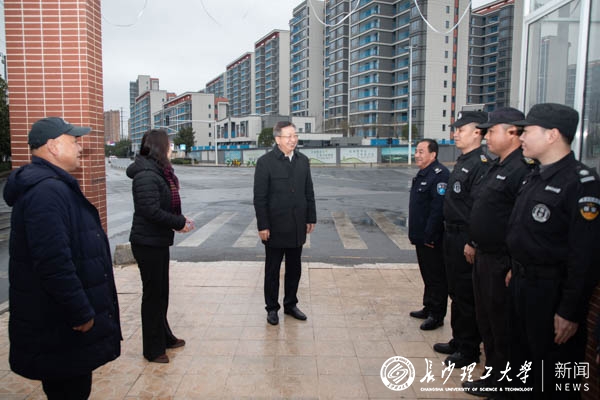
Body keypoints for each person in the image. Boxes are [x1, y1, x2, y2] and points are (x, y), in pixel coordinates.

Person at [3, 117, 121, 399]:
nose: (80, 148)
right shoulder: (46, 192)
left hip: (58, 325)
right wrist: (80, 311)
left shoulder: (53, 186)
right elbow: (53, 263)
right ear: (54, 147)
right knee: (69, 391)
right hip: (60, 326)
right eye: (74, 141)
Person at [506, 103, 600, 397]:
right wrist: (515, 267)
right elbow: (524, 231)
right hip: (523, 284)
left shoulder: (581, 183)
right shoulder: (534, 176)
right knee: (523, 362)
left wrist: (569, 311)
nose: (521, 137)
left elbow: (585, 257)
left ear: (552, 135)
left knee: (555, 374)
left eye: (527, 131)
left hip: (552, 293)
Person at [462, 107, 535, 395]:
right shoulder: (497, 166)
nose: (487, 136)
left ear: (512, 132)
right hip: (484, 256)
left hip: (501, 261)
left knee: (502, 324)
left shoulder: (522, 169)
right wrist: (474, 241)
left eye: (492, 131)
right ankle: (492, 375)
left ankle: (504, 382)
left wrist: (512, 264)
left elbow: (520, 223)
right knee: (487, 321)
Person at [127, 129, 195, 363]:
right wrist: (178, 222)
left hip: (157, 240)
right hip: (147, 243)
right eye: (169, 145)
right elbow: (150, 210)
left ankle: (164, 337)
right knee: (153, 296)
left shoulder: (158, 171)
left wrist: (179, 220)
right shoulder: (146, 175)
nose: (171, 148)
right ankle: (153, 349)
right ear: (159, 147)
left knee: (161, 293)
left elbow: (162, 206)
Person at [434, 111, 490, 368]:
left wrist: (472, 241)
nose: (455, 134)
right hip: (452, 235)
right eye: (455, 130)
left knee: (466, 294)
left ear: (477, 132)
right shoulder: (464, 160)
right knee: (456, 291)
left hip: (465, 238)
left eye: (461, 130)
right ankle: (459, 340)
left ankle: (469, 350)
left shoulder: (481, 164)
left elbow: (479, 208)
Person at [253, 121, 317, 326]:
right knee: (272, 271)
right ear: (278, 139)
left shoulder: (302, 161)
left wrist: (311, 217)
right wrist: (263, 225)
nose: (293, 140)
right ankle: (272, 308)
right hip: (275, 227)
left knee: (294, 269)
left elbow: (309, 191)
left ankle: (291, 304)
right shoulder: (265, 163)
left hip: (297, 225)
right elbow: (260, 198)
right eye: (289, 136)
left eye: (295, 135)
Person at [408, 139, 449, 331]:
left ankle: (437, 315)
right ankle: (428, 306)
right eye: (416, 151)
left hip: (431, 238)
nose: (417, 155)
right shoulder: (424, 173)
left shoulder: (440, 175)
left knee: (436, 276)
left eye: (421, 152)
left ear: (433, 154)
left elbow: (437, 209)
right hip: (421, 236)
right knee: (427, 274)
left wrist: (430, 236)